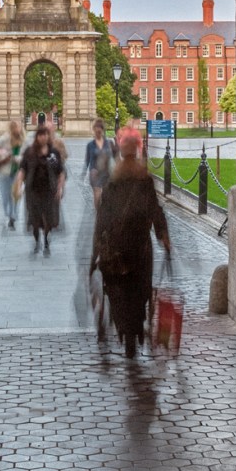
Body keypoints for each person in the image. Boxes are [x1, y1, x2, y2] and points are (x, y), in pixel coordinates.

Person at [90, 125, 171, 357]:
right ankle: (135, 326)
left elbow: (102, 219)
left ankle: (124, 327)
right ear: (137, 151)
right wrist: (163, 236)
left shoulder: (113, 182)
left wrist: (95, 251)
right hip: (140, 246)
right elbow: (155, 211)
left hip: (115, 247)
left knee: (116, 289)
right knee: (141, 289)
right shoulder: (144, 180)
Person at [18, 122, 65, 255]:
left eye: (45, 135)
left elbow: (61, 171)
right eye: (40, 135)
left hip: (49, 190)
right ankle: (37, 240)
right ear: (37, 137)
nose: (43, 137)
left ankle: (46, 239)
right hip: (33, 191)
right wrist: (18, 185)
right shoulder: (29, 152)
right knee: (34, 218)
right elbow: (22, 169)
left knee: (48, 217)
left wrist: (60, 187)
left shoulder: (54, 152)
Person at [0, 119, 25, 230]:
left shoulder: (24, 140)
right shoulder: (4, 139)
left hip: (18, 172)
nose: (19, 129)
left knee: (16, 195)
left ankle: (13, 216)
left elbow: (26, 155)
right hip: (5, 172)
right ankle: (8, 213)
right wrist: (2, 153)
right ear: (12, 128)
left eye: (20, 127)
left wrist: (20, 159)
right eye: (16, 127)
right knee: (6, 196)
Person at [84, 119, 114, 215]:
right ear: (94, 130)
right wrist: (85, 172)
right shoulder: (90, 145)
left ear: (102, 130)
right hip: (95, 172)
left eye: (100, 130)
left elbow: (113, 157)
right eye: (96, 130)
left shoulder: (108, 143)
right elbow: (87, 160)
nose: (98, 132)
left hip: (106, 172)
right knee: (97, 194)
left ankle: (105, 213)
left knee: (106, 195)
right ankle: (99, 213)